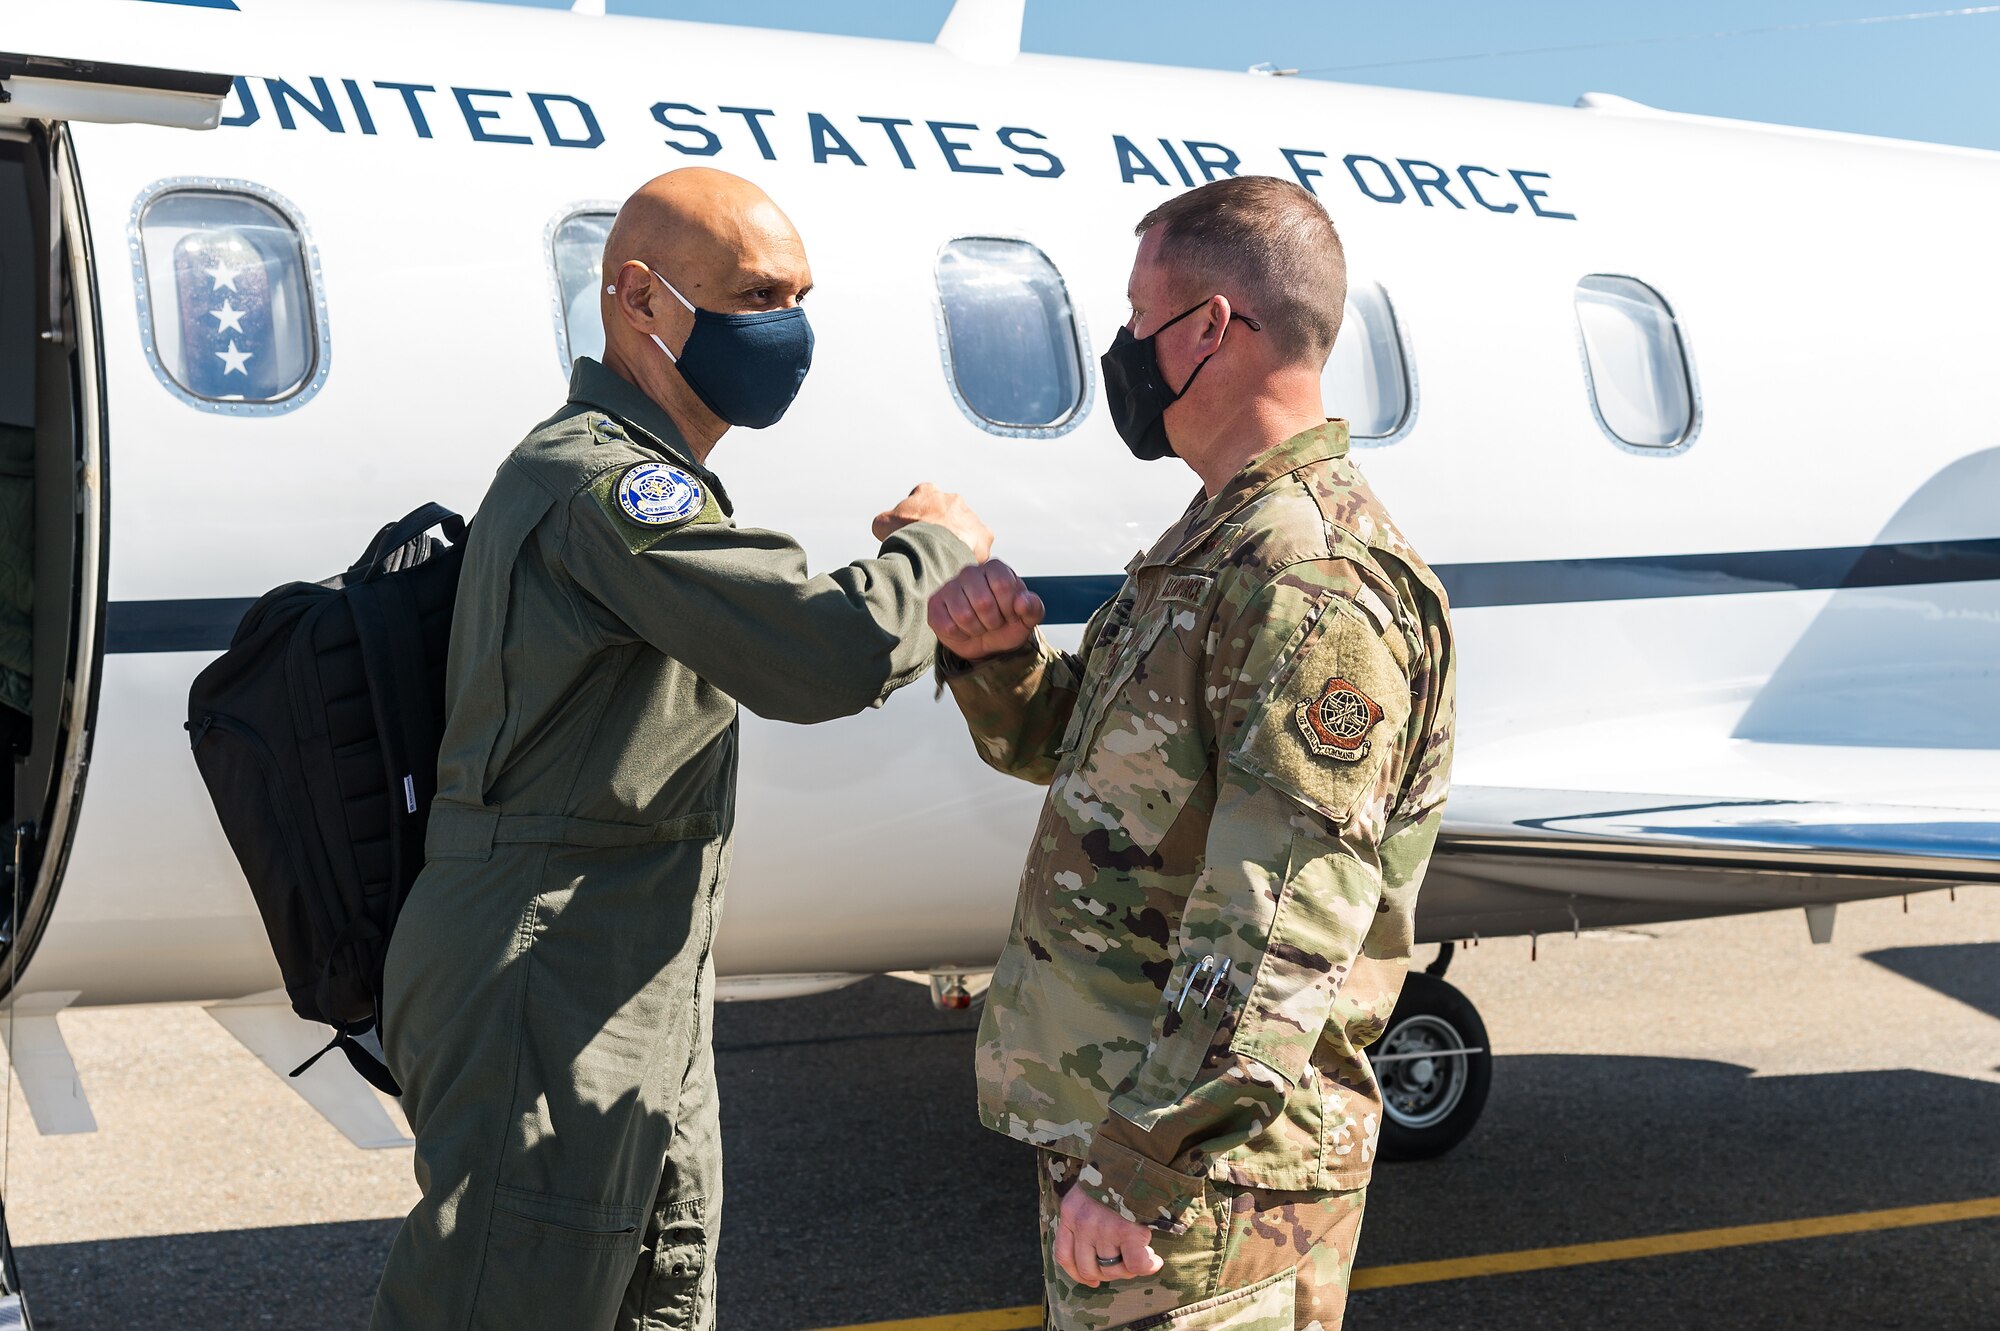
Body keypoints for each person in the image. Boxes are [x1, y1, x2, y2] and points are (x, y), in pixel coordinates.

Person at [371, 167, 989, 1331]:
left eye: (798, 296)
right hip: (550, 975)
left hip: (623, 968)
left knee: (656, 1288)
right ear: (640, 301)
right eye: (754, 295)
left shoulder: (652, 478)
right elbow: (821, 653)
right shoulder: (603, 482)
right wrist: (938, 551)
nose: (786, 330)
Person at [930, 176, 1455, 1330]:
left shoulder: (1306, 577)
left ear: (1209, 328)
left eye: (1134, 316)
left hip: (1207, 1179)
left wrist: (1143, 1160)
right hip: (1147, 1136)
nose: (1119, 346)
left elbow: (1275, 917)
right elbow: (1116, 775)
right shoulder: (1216, 540)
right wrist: (999, 662)